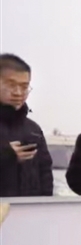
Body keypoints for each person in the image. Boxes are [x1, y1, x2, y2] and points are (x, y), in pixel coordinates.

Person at [0, 54, 53, 197]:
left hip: (28, 208)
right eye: (11, 85)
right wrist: (6, 156)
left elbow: (45, 174)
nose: (18, 93)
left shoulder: (33, 130)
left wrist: (45, 205)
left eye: (24, 87)